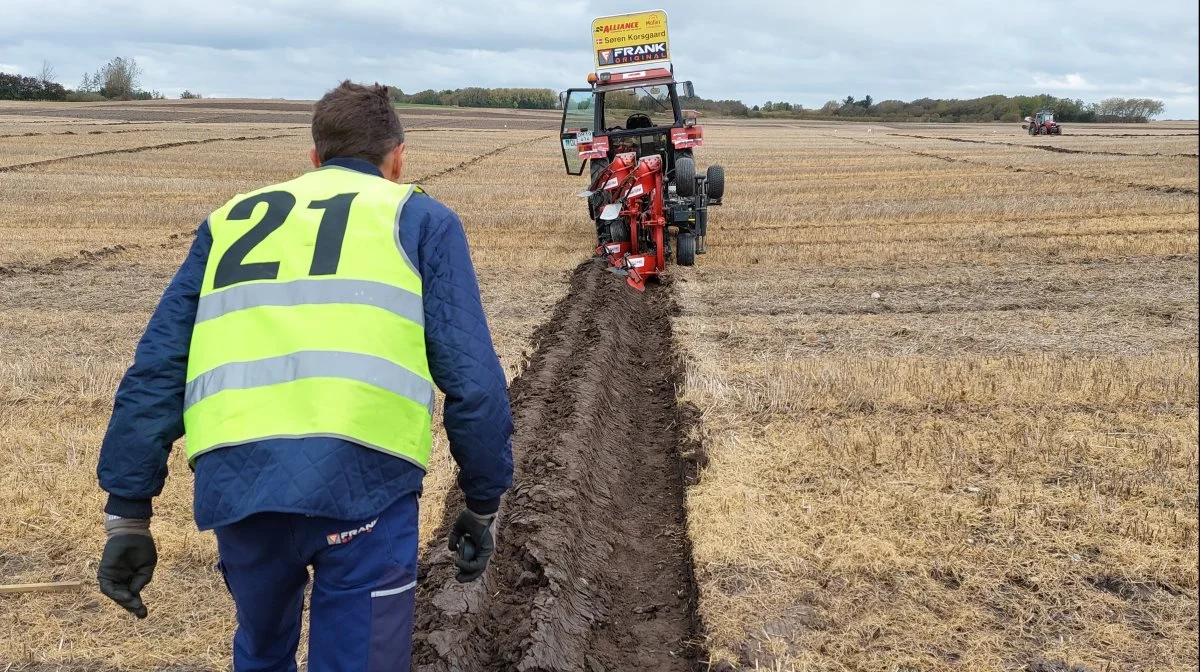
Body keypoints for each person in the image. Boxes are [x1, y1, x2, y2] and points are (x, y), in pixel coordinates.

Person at [94, 80, 514, 672]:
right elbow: (473, 380)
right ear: (398, 158)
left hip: (238, 483)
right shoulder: (420, 218)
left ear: (313, 158)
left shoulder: (229, 222)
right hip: (366, 482)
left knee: (262, 653)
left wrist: (128, 514)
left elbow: (158, 368)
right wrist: (482, 500)